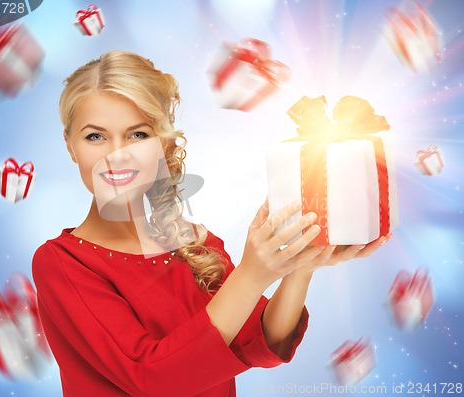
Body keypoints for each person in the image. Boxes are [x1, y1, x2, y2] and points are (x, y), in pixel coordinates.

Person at [32, 50, 391, 397]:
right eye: (95, 136)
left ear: (162, 144)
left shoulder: (195, 244)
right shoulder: (62, 264)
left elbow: (260, 338)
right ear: (70, 146)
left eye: (137, 134)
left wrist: (300, 266)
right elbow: (152, 377)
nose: (116, 154)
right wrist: (252, 274)